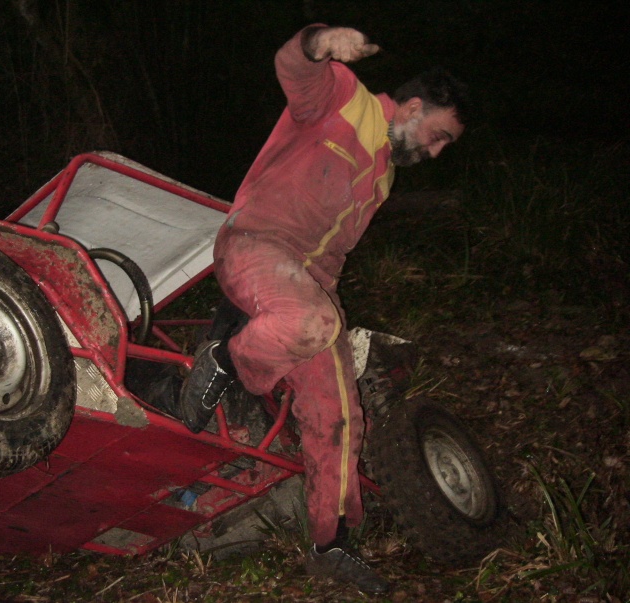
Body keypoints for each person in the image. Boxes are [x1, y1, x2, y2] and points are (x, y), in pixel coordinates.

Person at [179, 24, 469, 595]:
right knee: (311, 322)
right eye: (438, 136)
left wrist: (326, 307)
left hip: (311, 284)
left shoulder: (382, 174)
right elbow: (294, 65)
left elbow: (333, 251)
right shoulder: (345, 98)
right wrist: (320, 40)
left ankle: (329, 541)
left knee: (340, 413)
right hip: (254, 245)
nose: (435, 153)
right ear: (413, 106)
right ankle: (222, 359)